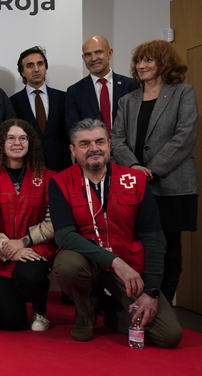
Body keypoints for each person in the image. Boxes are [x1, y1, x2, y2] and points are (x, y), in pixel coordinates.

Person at [50, 118, 183, 348]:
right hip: (89, 263)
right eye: (85, 144)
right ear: (72, 150)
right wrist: (114, 262)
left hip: (131, 267)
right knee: (66, 264)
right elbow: (64, 236)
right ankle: (85, 313)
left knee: (169, 336)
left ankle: (109, 312)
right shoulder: (59, 182)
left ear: (109, 144)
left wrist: (151, 291)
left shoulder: (136, 180)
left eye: (100, 141)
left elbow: (153, 238)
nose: (94, 148)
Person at [112, 40, 198, 304]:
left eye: (148, 60)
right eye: (139, 61)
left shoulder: (182, 92)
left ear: (164, 63)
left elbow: (185, 134)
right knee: (143, 246)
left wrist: (152, 169)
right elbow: (117, 139)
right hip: (135, 184)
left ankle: (164, 305)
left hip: (173, 184)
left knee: (170, 248)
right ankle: (138, 301)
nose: (141, 66)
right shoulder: (128, 100)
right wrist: (136, 169)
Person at [0, 119, 57, 331]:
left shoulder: (48, 178)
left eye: (23, 138)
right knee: (11, 323)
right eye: (10, 138)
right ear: (1, 142)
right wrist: (8, 249)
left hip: (35, 249)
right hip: (0, 254)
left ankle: (40, 309)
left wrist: (24, 242)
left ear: (30, 143)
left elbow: (53, 222)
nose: (17, 143)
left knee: (29, 274)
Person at [9, 47, 70, 172]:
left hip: (61, 165)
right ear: (23, 72)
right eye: (30, 65)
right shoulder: (12, 102)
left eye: (40, 64)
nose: (36, 69)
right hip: (29, 168)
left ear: (45, 68)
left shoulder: (64, 98)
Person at [65, 36, 138, 135]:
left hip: (126, 149)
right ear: (83, 58)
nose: (94, 58)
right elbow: (73, 131)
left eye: (98, 52)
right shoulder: (74, 92)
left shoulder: (131, 86)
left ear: (110, 53)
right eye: (88, 55)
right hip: (92, 149)